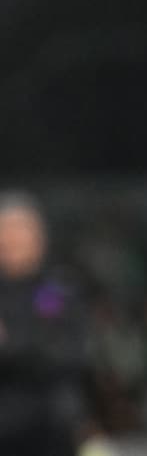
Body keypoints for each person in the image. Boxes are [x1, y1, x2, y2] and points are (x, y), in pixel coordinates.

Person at [0, 192, 89, 456]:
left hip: (47, 427)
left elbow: (63, 351)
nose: (13, 240)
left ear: (39, 239)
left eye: (21, 231)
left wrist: (9, 344)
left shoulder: (54, 290)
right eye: (6, 232)